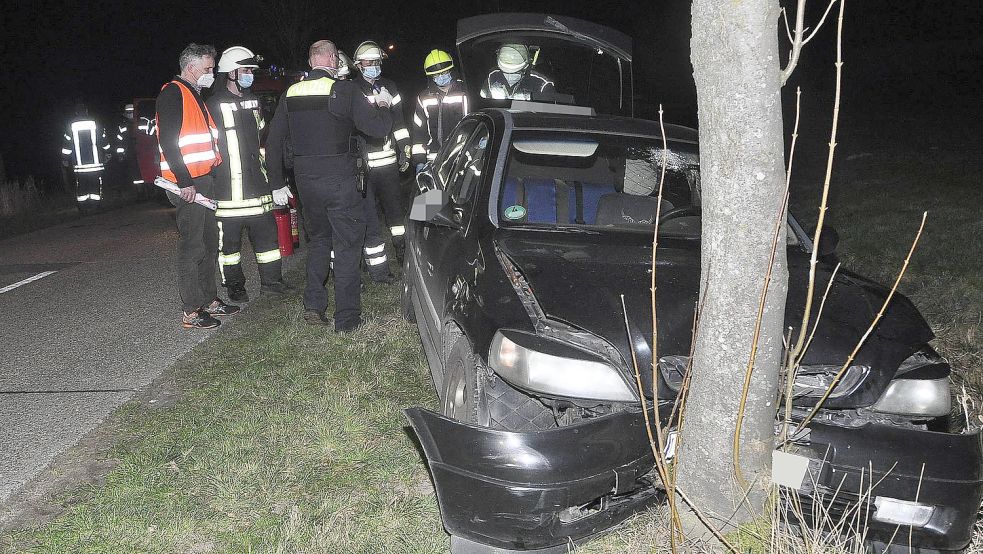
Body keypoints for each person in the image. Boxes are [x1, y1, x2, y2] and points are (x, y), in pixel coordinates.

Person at [265, 39, 392, 332]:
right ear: (333, 60)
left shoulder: (290, 93)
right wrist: (384, 105)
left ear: (311, 62)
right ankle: (347, 319)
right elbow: (379, 129)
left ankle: (313, 306)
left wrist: (275, 183)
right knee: (347, 246)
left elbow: (272, 143)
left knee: (319, 242)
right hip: (341, 181)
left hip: (306, 183)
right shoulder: (344, 90)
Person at [155, 43, 240, 329]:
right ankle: (191, 310)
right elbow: (168, 142)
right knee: (192, 247)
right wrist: (184, 182)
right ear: (191, 67)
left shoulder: (194, 94)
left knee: (208, 245)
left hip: (204, 179)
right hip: (189, 183)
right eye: (208, 68)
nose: (212, 73)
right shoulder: (172, 93)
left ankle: (209, 299)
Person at [206, 45, 292, 303]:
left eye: (251, 71)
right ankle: (235, 285)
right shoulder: (213, 104)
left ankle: (272, 283)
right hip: (228, 191)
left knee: (268, 243)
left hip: (258, 188)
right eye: (245, 70)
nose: (250, 75)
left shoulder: (254, 100)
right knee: (229, 248)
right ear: (230, 73)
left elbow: (262, 138)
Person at [352, 40, 410, 271]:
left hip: (388, 165)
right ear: (358, 65)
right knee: (368, 217)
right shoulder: (352, 90)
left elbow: (399, 122)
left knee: (396, 214)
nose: (374, 66)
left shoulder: (390, 87)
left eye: (377, 62)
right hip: (364, 167)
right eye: (369, 62)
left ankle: (402, 252)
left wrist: (404, 147)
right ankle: (373, 264)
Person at [411, 49, 470, 172]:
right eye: (437, 74)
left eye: (444, 72)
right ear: (431, 76)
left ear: (451, 70)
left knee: (459, 191)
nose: (441, 76)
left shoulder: (466, 92)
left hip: (463, 157)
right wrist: (419, 162)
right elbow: (418, 133)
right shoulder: (423, 98)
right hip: (434, 159)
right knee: (433, 192)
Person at [62, 103, 111, 213]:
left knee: (82, 186)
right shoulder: (95, 123)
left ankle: (83, 208)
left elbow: (67, 144)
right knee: (95, 184)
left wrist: (65, 158)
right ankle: (96, 206)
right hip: (95, 163)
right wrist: (108, 151)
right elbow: (103, 139)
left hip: (80, 165)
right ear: (87, 111)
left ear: (76, 112)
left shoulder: (71, 125)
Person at [480, 43, 555, 101]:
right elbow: (482, 104)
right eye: (507, 52)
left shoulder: (542, 84)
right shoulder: (492, 76)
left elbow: (547, 113)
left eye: (516, 52)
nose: (511, 55)